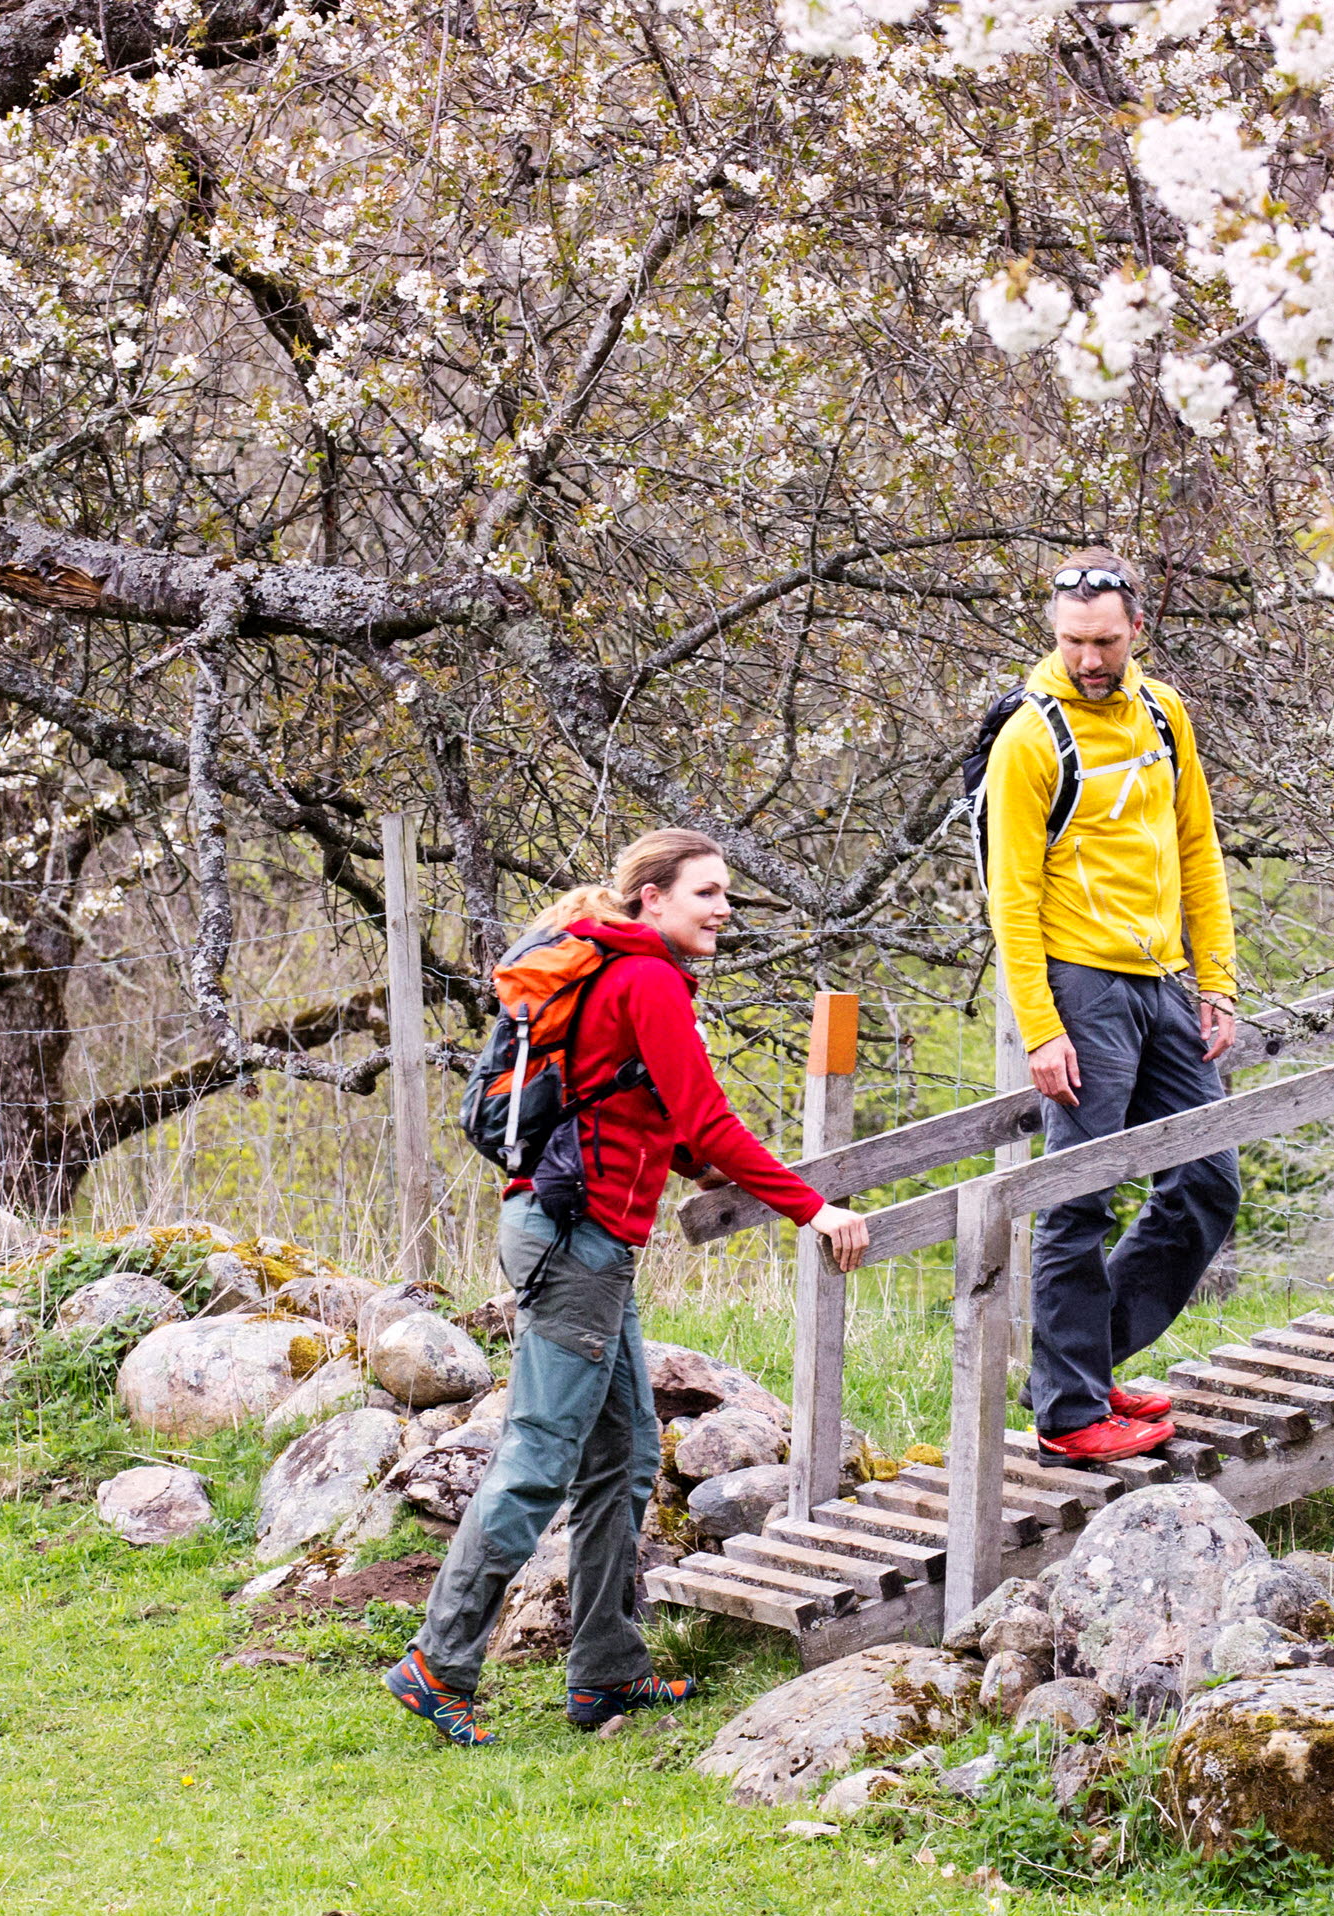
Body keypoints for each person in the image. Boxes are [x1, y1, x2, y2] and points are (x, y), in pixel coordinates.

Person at [388, 828, 873, 1746]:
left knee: (627, 1448)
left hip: (586, 1237)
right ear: (653, 897)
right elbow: (708, 1119)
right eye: (706, 892)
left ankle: (606, 1671)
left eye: (726, 894)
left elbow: (652, 1116)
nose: (723, 909)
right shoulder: (646, 977)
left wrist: (701, 1166)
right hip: (574, 1242)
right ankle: (438, 1662)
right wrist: (811, 1208)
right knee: (541, 1455)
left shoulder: (625, 971)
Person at [980, 549, 1240, 1465]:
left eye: (1104, 642)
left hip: (1164, 979)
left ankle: (1082, 1367)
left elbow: (1198, 847)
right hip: (1079, 985)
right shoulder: (1030, 736)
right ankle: (1069, 1414)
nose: (1089, 660)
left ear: (1136, 629)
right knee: (1077, 1198)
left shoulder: (1164, 713)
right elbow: (1010, 897)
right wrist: (1041, 1028)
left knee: (1208, 1182)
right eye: (1072, 642)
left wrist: (1217, 979)